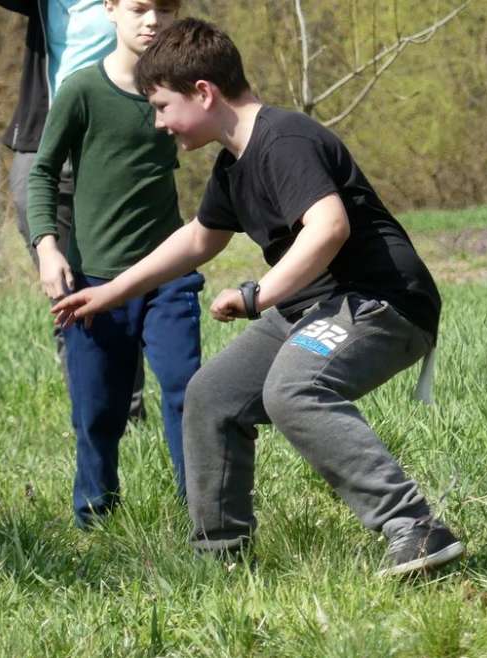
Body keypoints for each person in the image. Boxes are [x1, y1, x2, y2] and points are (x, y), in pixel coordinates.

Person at [52, 18, 465, 575]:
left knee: (293, 389)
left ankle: (414, 526)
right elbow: (198, 239)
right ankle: (219, 559)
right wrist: (111, 292)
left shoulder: (284, 139)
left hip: (379, 302)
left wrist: (258, 295)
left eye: (162, 106)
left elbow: (328, 227)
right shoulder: (233, 164)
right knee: (212, 397)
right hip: (315, 309)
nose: (158, 123)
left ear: (204, 92)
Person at [29, 0, 195, 527]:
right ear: (111, 10)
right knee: (99, 411)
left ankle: (206, 512)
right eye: (140, 8)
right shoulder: (82, 89)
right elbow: (42, 174)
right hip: (94, 280)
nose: (152, 21)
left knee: (185, 389)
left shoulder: (181, 91)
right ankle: (95, 514)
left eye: (164, 9)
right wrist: (48, 247)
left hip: (168, 275)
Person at [0, 0, 147, 419]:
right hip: (43, 139)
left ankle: (130, 409)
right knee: (63, 281)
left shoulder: (131, 6)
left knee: (117, 274)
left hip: (108, 142)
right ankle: (88, 403)